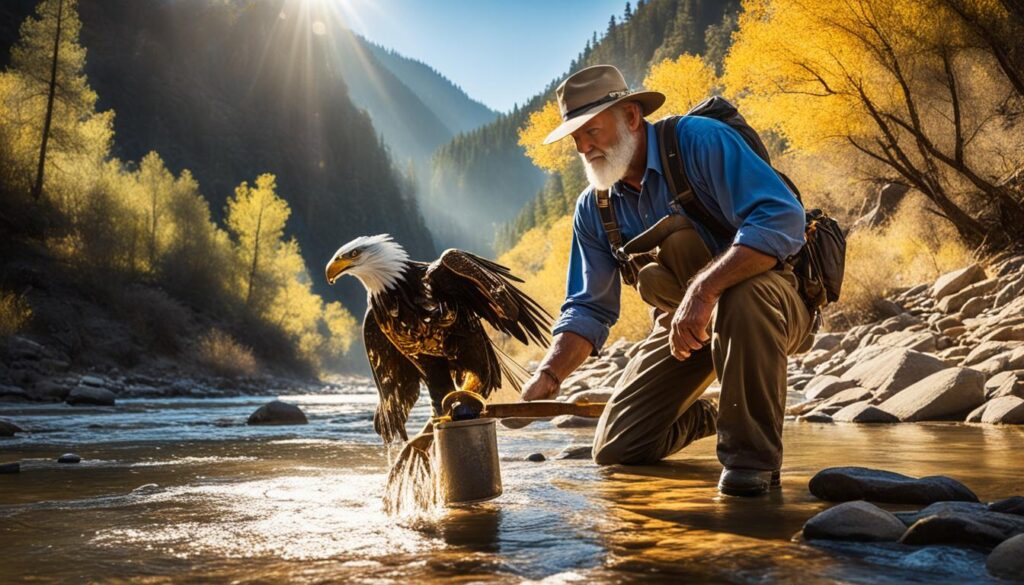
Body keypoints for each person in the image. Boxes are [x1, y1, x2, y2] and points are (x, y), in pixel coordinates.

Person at [520, 64, 812, 497]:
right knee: (617, 450)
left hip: (773, 303)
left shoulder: (699, 142)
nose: (583, 147)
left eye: (591, 131)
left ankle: (751, 467)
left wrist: (704, 289)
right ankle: (713, 415)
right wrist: (549, 375)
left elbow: (783, 218)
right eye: (575, 138)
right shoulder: (594, 208)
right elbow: (589, 307)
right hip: (686, 324)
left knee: (743, 297)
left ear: (632, 117)